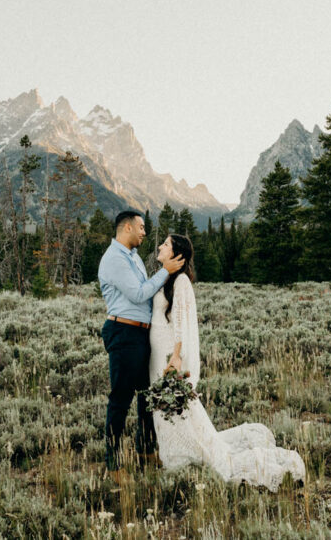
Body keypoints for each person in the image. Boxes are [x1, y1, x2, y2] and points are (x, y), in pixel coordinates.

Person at [148, 233, 306, 491]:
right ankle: (176, 456)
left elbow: (181, 324)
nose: (160, 246)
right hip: (156, 357)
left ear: (178, 254)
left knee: (180, 412)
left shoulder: (181, 282)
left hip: (168, 356)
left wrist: (176, 357)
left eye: (165, 244)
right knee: (166, 411)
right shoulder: (165, 277)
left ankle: (191, 458)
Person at [99, 209, 184, 484]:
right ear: (126, 229)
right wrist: (164, 272)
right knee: (120, 400)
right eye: (141, 227)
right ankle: (113, 465)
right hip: (123, 332)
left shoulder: (132, 257)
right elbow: (138, 294)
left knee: (147, 396)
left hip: (139, 335)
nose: (145, 232)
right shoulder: (114, 259)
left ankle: (145, 450)